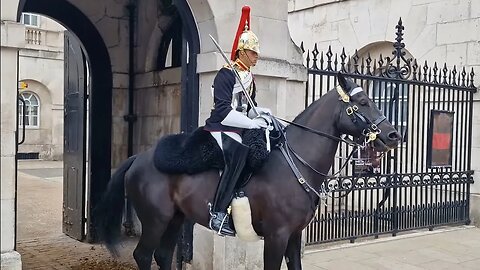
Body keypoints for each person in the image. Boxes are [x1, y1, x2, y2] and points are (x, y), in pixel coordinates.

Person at [204, 5, 271, 236]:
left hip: (239, 125)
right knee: (239, 153)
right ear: (242, 52)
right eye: (253, 52)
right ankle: (219, 213)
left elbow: (249, 107)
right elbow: (223, 111)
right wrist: (251, 123)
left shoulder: (248, 77)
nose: (257, 56)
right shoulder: (225, 74)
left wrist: (262, 114)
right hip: (221, 127)